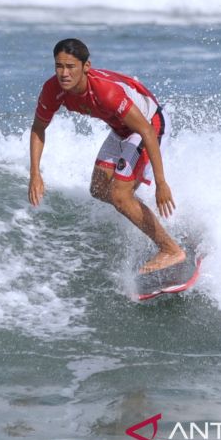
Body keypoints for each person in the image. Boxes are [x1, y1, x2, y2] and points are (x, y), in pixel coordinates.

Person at [28, 38, 185, 273]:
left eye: (71, 67)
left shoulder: (104, 91)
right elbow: (38, 128)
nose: (64, 73)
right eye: (59, 66)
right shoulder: (53, 90)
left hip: (149, 124)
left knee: (120, 195)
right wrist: (35, 174)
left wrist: (161, 183)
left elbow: (145, 130)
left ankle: (170, 249)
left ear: (86, 67)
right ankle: (147, 219)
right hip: (120, 129)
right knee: (100, 189)